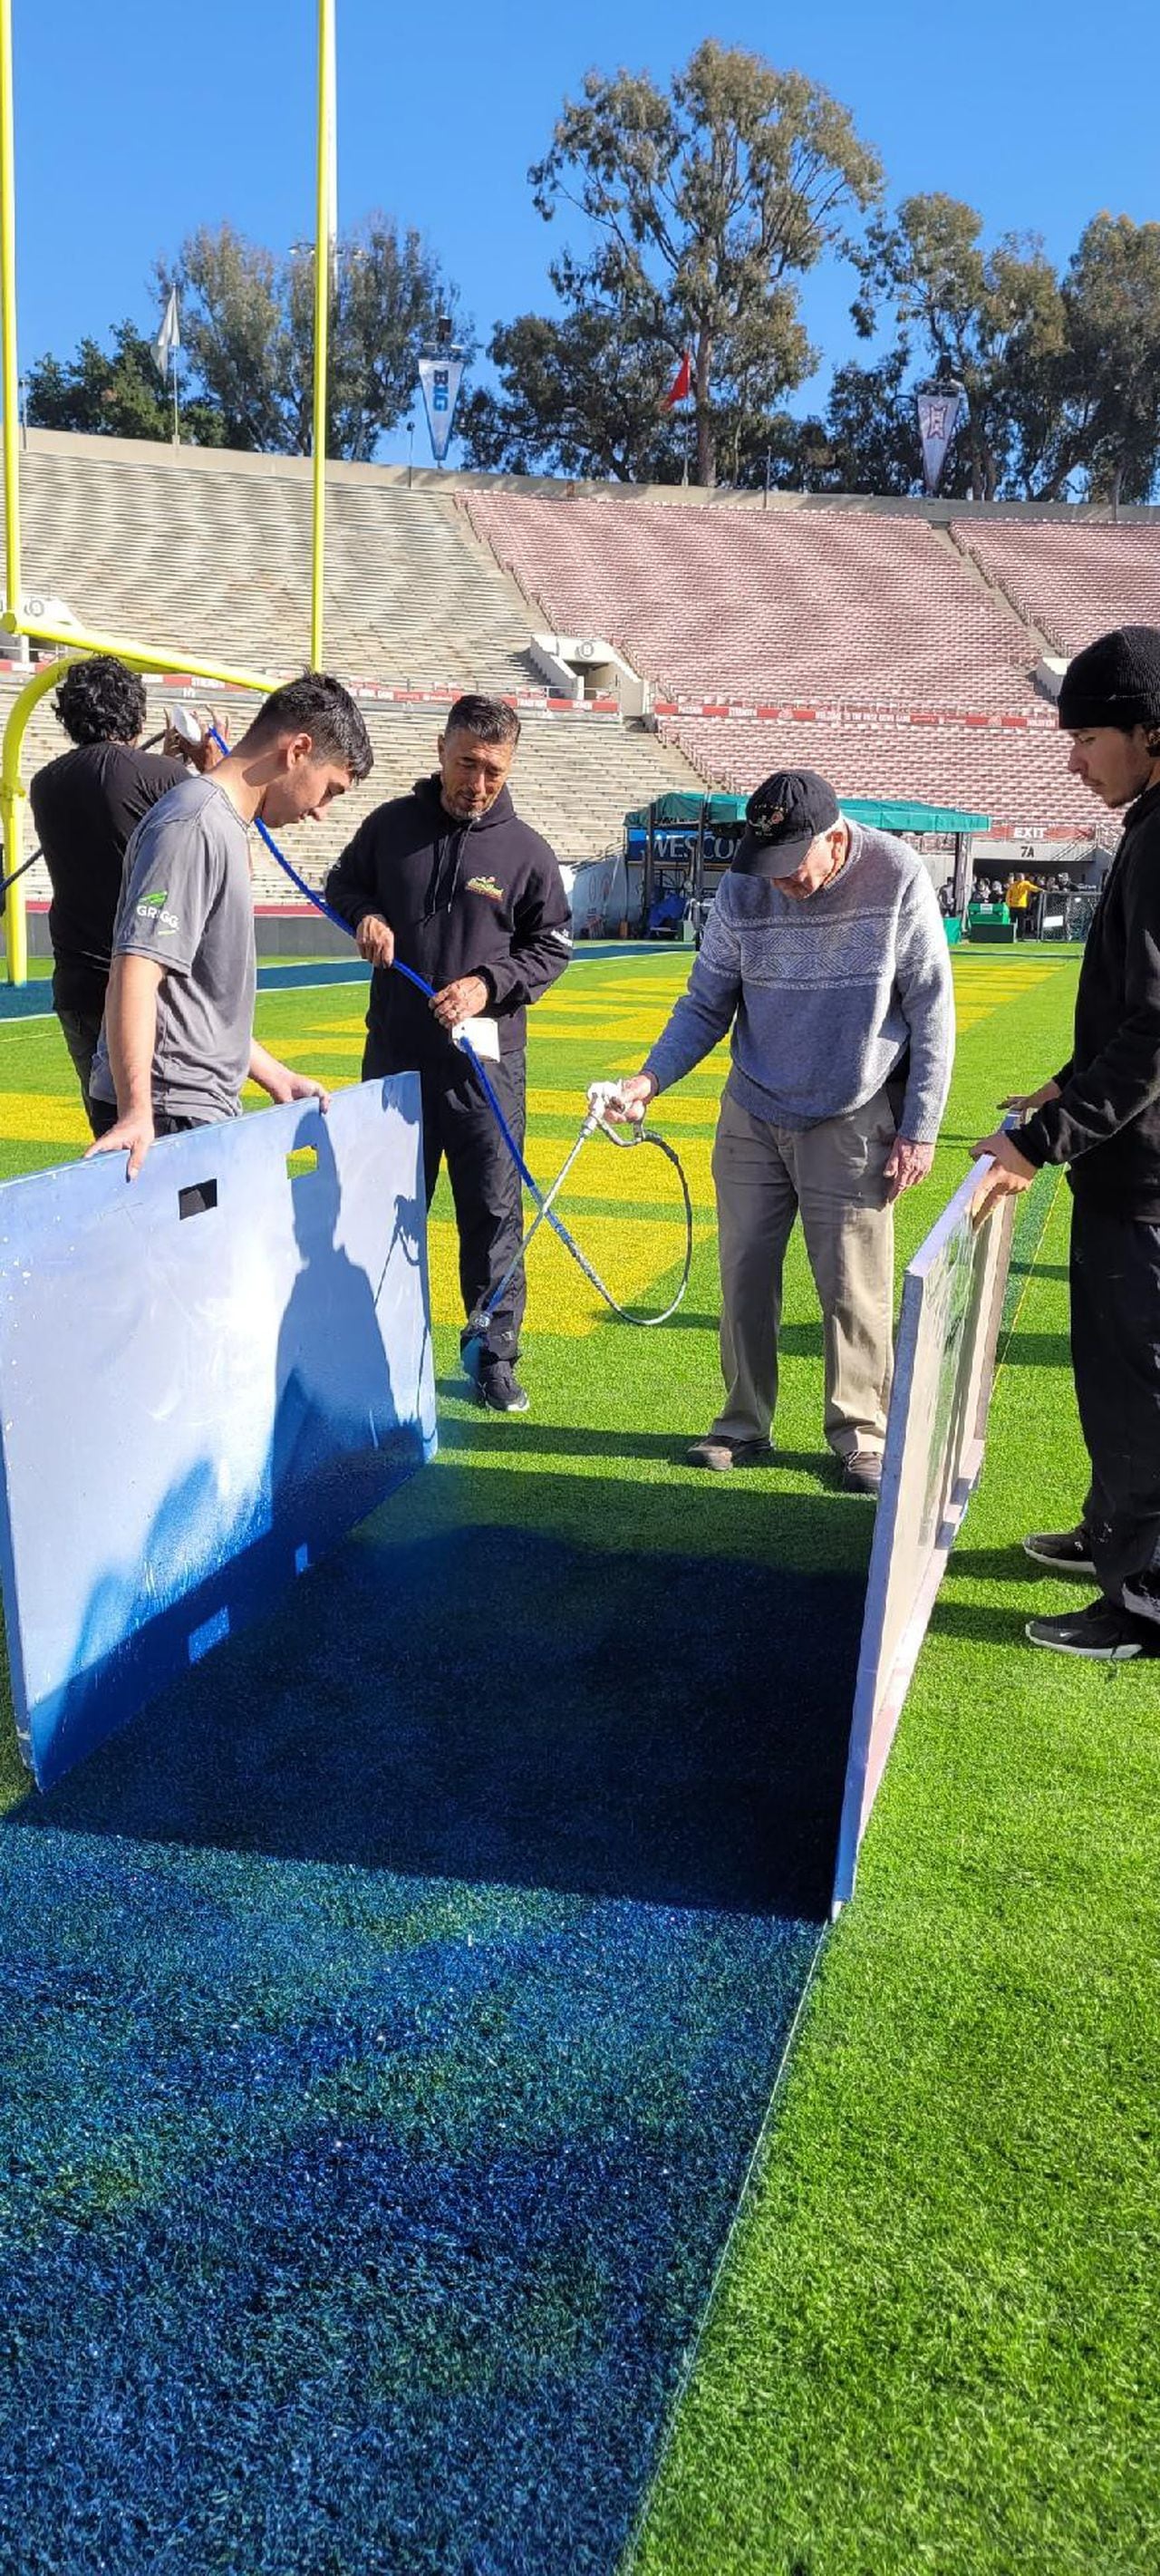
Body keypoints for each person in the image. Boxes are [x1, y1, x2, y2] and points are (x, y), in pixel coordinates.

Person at [602, 770, 954, 1495]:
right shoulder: (745, 885)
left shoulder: (897, 874)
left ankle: (861, 1433)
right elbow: (706, 1002)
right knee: (743, 1277)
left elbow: (931, 1008)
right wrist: (647, 1081)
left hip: (852, 1110)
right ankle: (741, 1422)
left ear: (834, 838)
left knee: (853, 1289)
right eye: (766, 867)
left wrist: (918, 1128)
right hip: (753, 1109)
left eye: (791, 868)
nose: (778, 884)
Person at [972, 625, 1160, 1661]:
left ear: (1148, 729)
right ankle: (1109, 1541)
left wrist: (1043, 1137)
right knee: (1110, 1369)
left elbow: (1156, 1030)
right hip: (1122, 1165)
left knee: (1140, 1379)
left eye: (1086, 735)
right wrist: (1059, 1085)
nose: (1072, 757)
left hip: (1146, 1178)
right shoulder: (1148, 820)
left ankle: (1143, 1601)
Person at [324, 694, 571, 1418]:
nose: (479, 782)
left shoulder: (525, 852)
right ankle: (386, 1351)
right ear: (441, 751)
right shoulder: (389, 827)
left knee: (493, 1212)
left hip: (485, 1071)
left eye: (494, 769)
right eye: (467, 763)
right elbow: (344, 885)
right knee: (385, 1207)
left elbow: (551, 947)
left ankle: (492, 1356)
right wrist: (363, 915)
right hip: (395, 1063)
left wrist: (486, 984)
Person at [86, 672, 372, 1177]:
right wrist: (137, 1111)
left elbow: (200, 1002)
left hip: (192, 1106)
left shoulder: (219, 824)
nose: (320, 813)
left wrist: (272, 1074)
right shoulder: (193, 824)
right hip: (170, 1110)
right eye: (329, 790)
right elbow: (136, 967)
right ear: (298, 750)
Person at [27, 655, 220, 1130]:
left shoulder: (44, 783)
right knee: (166, 1136)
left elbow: (115, 802)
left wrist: (165, 764)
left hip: (76, 982)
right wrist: (210, 769)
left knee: (110, 1130)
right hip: (143, 985)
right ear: (135, 713)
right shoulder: (162, 778)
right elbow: (216, 839)